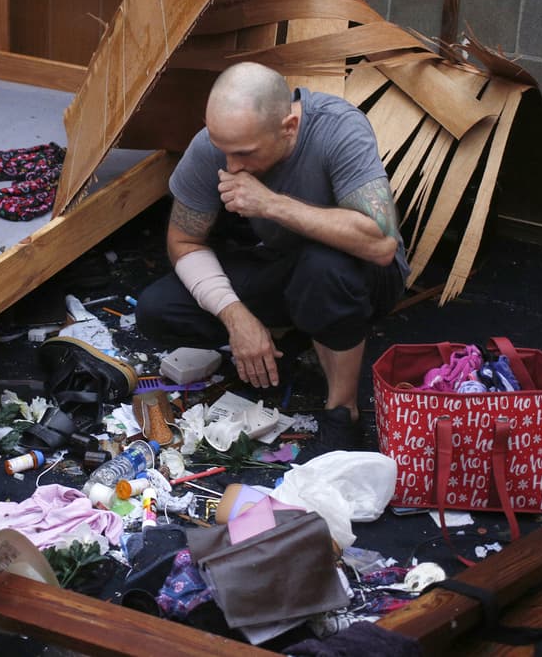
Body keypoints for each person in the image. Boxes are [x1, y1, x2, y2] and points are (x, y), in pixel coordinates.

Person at [136, 62, 409, 449]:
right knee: (157, 307)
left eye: (245, 153)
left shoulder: (339, 128)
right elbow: (184, 241)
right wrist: (236, 316)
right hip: (282, 264)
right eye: (223, 151)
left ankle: (341, 409)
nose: (231, 167)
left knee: (322, 268)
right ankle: (285, 336)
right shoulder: (211, 147)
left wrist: (272, 205)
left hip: (360, 274)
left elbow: (381, 244)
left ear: (289, 128)